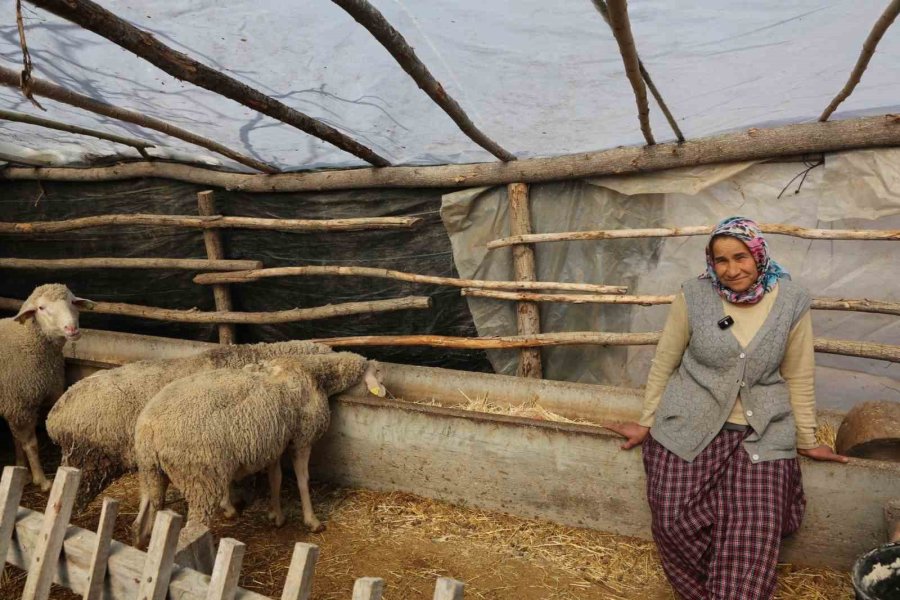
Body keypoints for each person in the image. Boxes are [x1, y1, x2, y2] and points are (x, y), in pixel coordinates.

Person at [605, 216, 848, 600]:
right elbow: (664, 362)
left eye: (741, 257)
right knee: (672, 523)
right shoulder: (694, 296)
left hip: (762, 433)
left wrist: (806, 438)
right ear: (711, 261)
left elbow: (799, 374)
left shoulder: (791, 301)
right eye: (721, 260)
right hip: (689, 424)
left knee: (752, 534)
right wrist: (646, 422)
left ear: (759, 254)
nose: (732, 269)